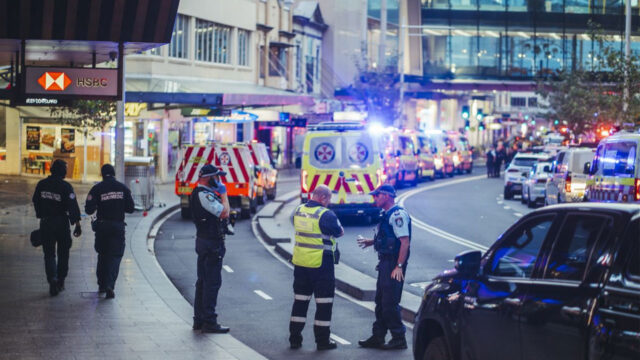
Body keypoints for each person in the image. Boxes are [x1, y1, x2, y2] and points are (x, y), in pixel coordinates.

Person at [289, 185, 344, 351]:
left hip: (300, 264)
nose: (329, 203)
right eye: (329, 200)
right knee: (324, 304)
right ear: (323, 198)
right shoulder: (325, 214)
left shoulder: (298, 210)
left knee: (299, 302)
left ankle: (294, 339)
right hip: (321, 265)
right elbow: (339, 232)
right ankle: (322, 341)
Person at [358, 184, 411, 350]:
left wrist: (399, 266)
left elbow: (404, 242)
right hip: (385, 263)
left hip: (393, 264)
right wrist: (371, 242)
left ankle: (399, 338)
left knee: (390, 302)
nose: (375, 198)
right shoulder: (387, 214)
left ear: (387, 196)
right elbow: (390, 237)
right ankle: (378, 336)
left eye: (377, 195)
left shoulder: (397, 215)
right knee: (381, 302)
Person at [190, 164, 231, 333]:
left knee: (203, 282)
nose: (219, 180)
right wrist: (223, 193)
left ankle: (199, 319)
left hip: (205, 241)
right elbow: (224, 212)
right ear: (208, 178)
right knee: (211, 283)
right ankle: (209, 321)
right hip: (210, 243)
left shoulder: (203, 194)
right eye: (217, 177)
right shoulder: (204, 195)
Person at [32, 159, 82, 296]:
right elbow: (72, 206)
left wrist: (40, 214)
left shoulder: (42, 185)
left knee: (49, 254)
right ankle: (60, 280)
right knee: (63, 253)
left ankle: (52, 279)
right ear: (63, 172)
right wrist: (77, 224)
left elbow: (35, 200)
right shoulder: (66, 187)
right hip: (61, 223)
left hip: (46, 222)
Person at [85, 164, 134, 299]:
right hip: (118, 227)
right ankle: (110, 286)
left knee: (103, 255)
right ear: (114, 174)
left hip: (102, 227)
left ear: (102, 174)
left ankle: (101, 284)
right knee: (115, 256)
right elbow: (131, 208)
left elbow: (88, 209)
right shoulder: (123, 188)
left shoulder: (97, 188)